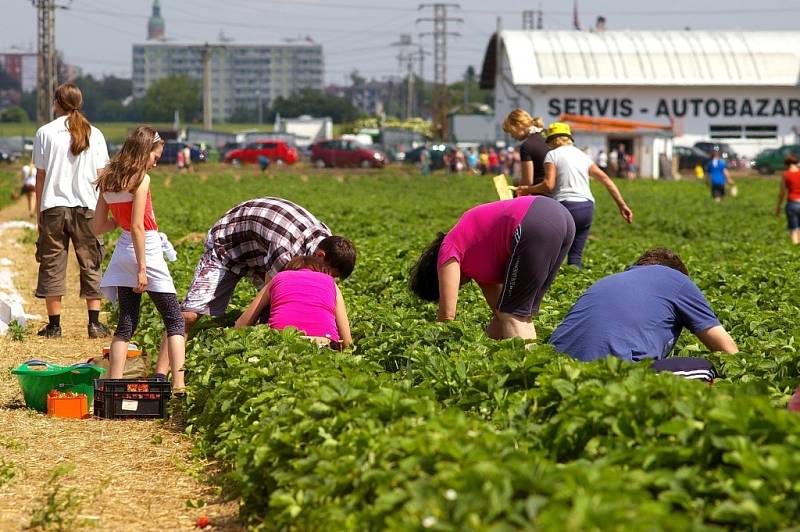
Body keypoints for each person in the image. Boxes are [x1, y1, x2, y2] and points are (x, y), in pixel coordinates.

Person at [153, 197, 357, 378]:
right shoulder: (286, 250)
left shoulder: (326, 243)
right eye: (329, 274)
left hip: (260, 251)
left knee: (272, 313)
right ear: (320, 256)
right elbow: (274, 292)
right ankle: (160, 375)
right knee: (189, 315)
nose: (328, 280)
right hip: (228, 245)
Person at [93, 126, 186, 390]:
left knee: (126, 322)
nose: (156, 162)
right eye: (155, 156)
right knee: (175, 320)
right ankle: (179, 385)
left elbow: (98, 226)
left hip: (122, 251)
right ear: (145, 151)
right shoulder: (141, 179)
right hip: (147, 250)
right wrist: (143, 268)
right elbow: (138, 227)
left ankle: (113, 386)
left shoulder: (108, 179)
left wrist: (117, 221)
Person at [409, 195, 575, 340]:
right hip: (561, 217)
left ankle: (522, 372)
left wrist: (435, 347)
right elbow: (499, 314)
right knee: (520, 313)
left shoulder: (448, 249)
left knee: (513, 314)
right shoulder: (477, 264)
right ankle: (534, 367)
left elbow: (447, 316)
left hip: (534, 221)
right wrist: (484, 349)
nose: (461, 285)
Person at [549, 248, 738, 374]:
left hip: (555, 370)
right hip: (613, 375)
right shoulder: (678, 281)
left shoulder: (607, 280)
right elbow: (728, 351)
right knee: (707, 369)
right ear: (679, 272)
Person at [33, 82, 110, 339]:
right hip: (87, 206)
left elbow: (40, 177)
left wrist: (38, 214)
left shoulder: (45, 132)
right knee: (91, 262)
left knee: (52, 263)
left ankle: (54, 326)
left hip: (53, 206)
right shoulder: (95, 134)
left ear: (57, 103)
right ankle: (94, 324)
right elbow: (101, 176)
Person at [514, 122, 633, 269]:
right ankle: (577, 284)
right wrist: (622, 205)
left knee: (551, 255)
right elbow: (606, 179)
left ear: (551, 140)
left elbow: (549, 186)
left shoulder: (552, 155)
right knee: (575, 257)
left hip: (566, 206)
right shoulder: (582, 156)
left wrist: (527, 190)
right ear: (568, 138)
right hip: (586, 208)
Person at [234, 255, 352, 349]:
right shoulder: (330, 282)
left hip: (282, 344)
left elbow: (243, 324)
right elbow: (347, 341)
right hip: (324, 345)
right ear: (319, 270)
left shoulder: (279, 278)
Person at [502, 109, 548, 186]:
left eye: (511, 131)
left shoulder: (527, 146)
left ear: (517, 125)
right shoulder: (548, 136)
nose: (512, 136)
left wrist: (517, 186)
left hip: (539, 193)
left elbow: (527, 182)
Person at [775, 154, 800, 244]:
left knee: (793, 229)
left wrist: (778, 207)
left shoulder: (786, 174)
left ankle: (795, 248)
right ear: (796, 163)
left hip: (792, 204)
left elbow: (782, 193)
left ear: (786, 164)